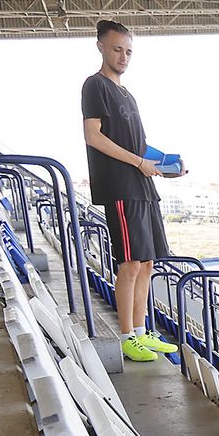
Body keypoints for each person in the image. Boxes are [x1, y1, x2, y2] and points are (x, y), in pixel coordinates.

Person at [81, 19, 183, 363]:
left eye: (128, 51)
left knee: (148, 263)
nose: (123, 56)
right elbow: (93, 136)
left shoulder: (127, 94)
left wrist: (165, 164)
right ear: (100, 46)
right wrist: (139, 163)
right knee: (130, 263)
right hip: (120, 186)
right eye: (116, 49)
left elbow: (140, 146)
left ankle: (141, 332)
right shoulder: (94, 86)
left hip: (143, 185)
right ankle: (126, 335)